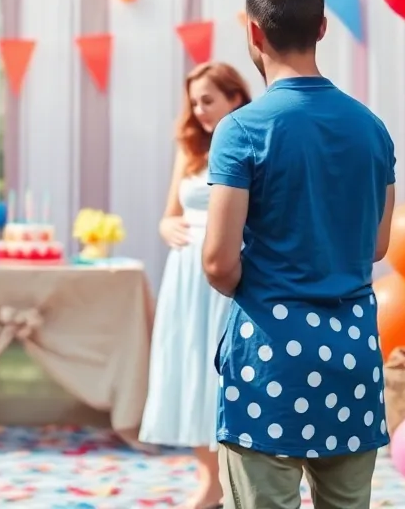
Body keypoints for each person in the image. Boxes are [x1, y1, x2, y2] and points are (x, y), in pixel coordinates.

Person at [203, 0, 396, 509]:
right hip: (352, 354)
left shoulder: (241, 130)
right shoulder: (371, 127)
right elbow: (376, 246)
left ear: (254, 33)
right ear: (323, 27)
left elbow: (218, 262)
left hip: (272, 356)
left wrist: (262, 282)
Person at [140, 62, 252, 509]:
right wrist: (166, 227)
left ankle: (234, 477)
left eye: (208, 99)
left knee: (223, 371)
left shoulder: (248, 142)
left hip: (226, 272)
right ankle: (208, 479)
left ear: (235, 98)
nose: (199, 110)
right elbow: (170, 213)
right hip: (186, 278)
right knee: (189, 368)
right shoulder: (189, 150)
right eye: (194, 102)